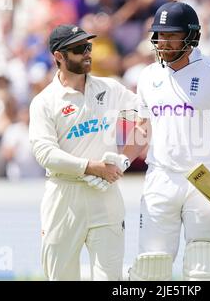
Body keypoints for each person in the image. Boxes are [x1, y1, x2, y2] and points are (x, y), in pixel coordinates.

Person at [119, 1, 210, 280]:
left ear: (191, 36)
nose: (163, 42)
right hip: (160, 177)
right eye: (159, 35)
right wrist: (120, 160)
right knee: (151, 267)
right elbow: (144, 128)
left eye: (171, 34)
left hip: (205, 180)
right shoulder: (148, 76)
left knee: (203, 266)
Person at [29, 24, 136, 281]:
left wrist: (126, 159)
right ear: (59, 56)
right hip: (64, 199)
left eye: (88, 47)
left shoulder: (111, 89)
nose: (87, 54)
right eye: (78, 49)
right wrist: (91, 167)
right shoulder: (45, 102)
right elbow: (44, 153)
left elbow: (145, 115)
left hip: (105, 196)